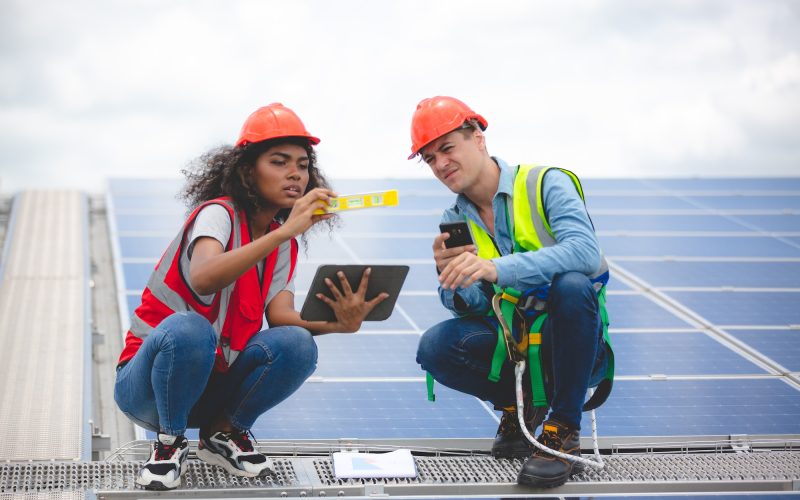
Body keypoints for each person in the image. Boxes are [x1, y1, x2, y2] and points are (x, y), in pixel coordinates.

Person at [114, 103, 388, 490]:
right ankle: (169, 444)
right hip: (148, 387)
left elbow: (282, 319)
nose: (296, 173)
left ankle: (223, 433)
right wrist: (284, 232)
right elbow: (205, 277)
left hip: (209, 387)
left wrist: (338, 324)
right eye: (279, 162)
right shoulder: (218, 214)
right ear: (247, 171)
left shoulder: (282, 244)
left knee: (298, 343)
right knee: (191, 329)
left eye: (303, 164)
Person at [410, 96, 614, 488]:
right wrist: (449, 275)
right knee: (436, 345)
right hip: (515, 345)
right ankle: (520, 407)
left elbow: (586, 253)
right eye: (430, 158)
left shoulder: (545, 183)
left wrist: (495, 268)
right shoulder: (454, 219)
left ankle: (563, 431)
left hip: (572, 343)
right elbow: (471, 310)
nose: (440, 164)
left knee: (572, 285)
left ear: (479, 138)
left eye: (447, 148)